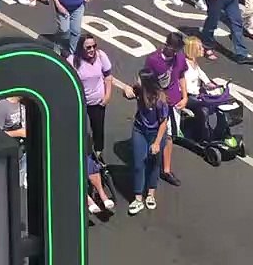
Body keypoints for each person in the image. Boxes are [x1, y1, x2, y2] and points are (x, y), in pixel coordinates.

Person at [121, 69, 168, 215]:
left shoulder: (159, 99)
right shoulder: (139, 90)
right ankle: (137, 198)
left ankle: (151, 194)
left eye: (139, 78)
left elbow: (163, 123)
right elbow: (128, 93)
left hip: (156, 133)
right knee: (138, 163)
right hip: (139, 130)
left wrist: (156, 143)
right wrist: (125, 91)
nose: (137, 80)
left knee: (154, 163)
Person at [144, 32, 188, 188]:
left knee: (169, 135)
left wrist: (185, 96)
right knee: (154, 133)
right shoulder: (153, 60)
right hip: (157, 103)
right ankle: (150, 163)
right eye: (174, 49)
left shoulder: (180, 58)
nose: (175, 53)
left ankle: (166, 170)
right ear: (167, 45)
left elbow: (181, 75)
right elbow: (146, 80)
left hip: (174, 102)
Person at [67, 34, 116, 162]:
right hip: (80, 103)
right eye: (88, 47)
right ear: (81, 48)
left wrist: (107, 96)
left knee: (98, 130)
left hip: (98, 102)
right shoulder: (72, 61)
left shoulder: (101, 56)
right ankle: (78, 154)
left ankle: (98, 156)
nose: (92, 50)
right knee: (78, 128)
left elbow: (108, 76)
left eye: (94, 46)